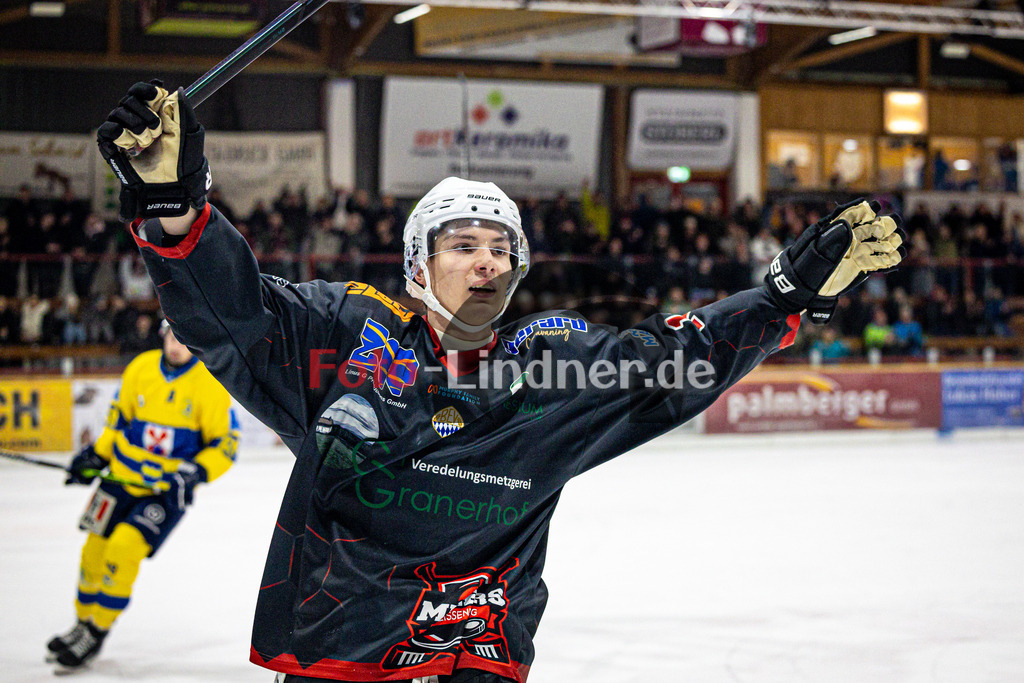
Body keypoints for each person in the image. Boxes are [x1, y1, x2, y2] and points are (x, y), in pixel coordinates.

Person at [95, 82, 905, 683]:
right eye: (462, 244)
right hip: (340, 664)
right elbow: (236, 315)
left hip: (475, 665)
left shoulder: (553, 368)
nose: (486, 259)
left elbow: (674, 360)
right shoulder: (344, 332)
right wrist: (173, 205)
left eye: (500, 247)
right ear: (418, 265)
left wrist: (783, 297)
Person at [46, 320, 239, 669]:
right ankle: (82, 624)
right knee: (93, 553)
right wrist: (95, 456)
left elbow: (224, 445)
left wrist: (196, 471)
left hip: (162, 494)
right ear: (162, 335)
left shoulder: (210, 384)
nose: (176, 345)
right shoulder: (141, 367)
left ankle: (97, 631)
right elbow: (118, 422)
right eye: (171, 336)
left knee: (123, 548)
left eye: (184, 338)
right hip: (118, 482)